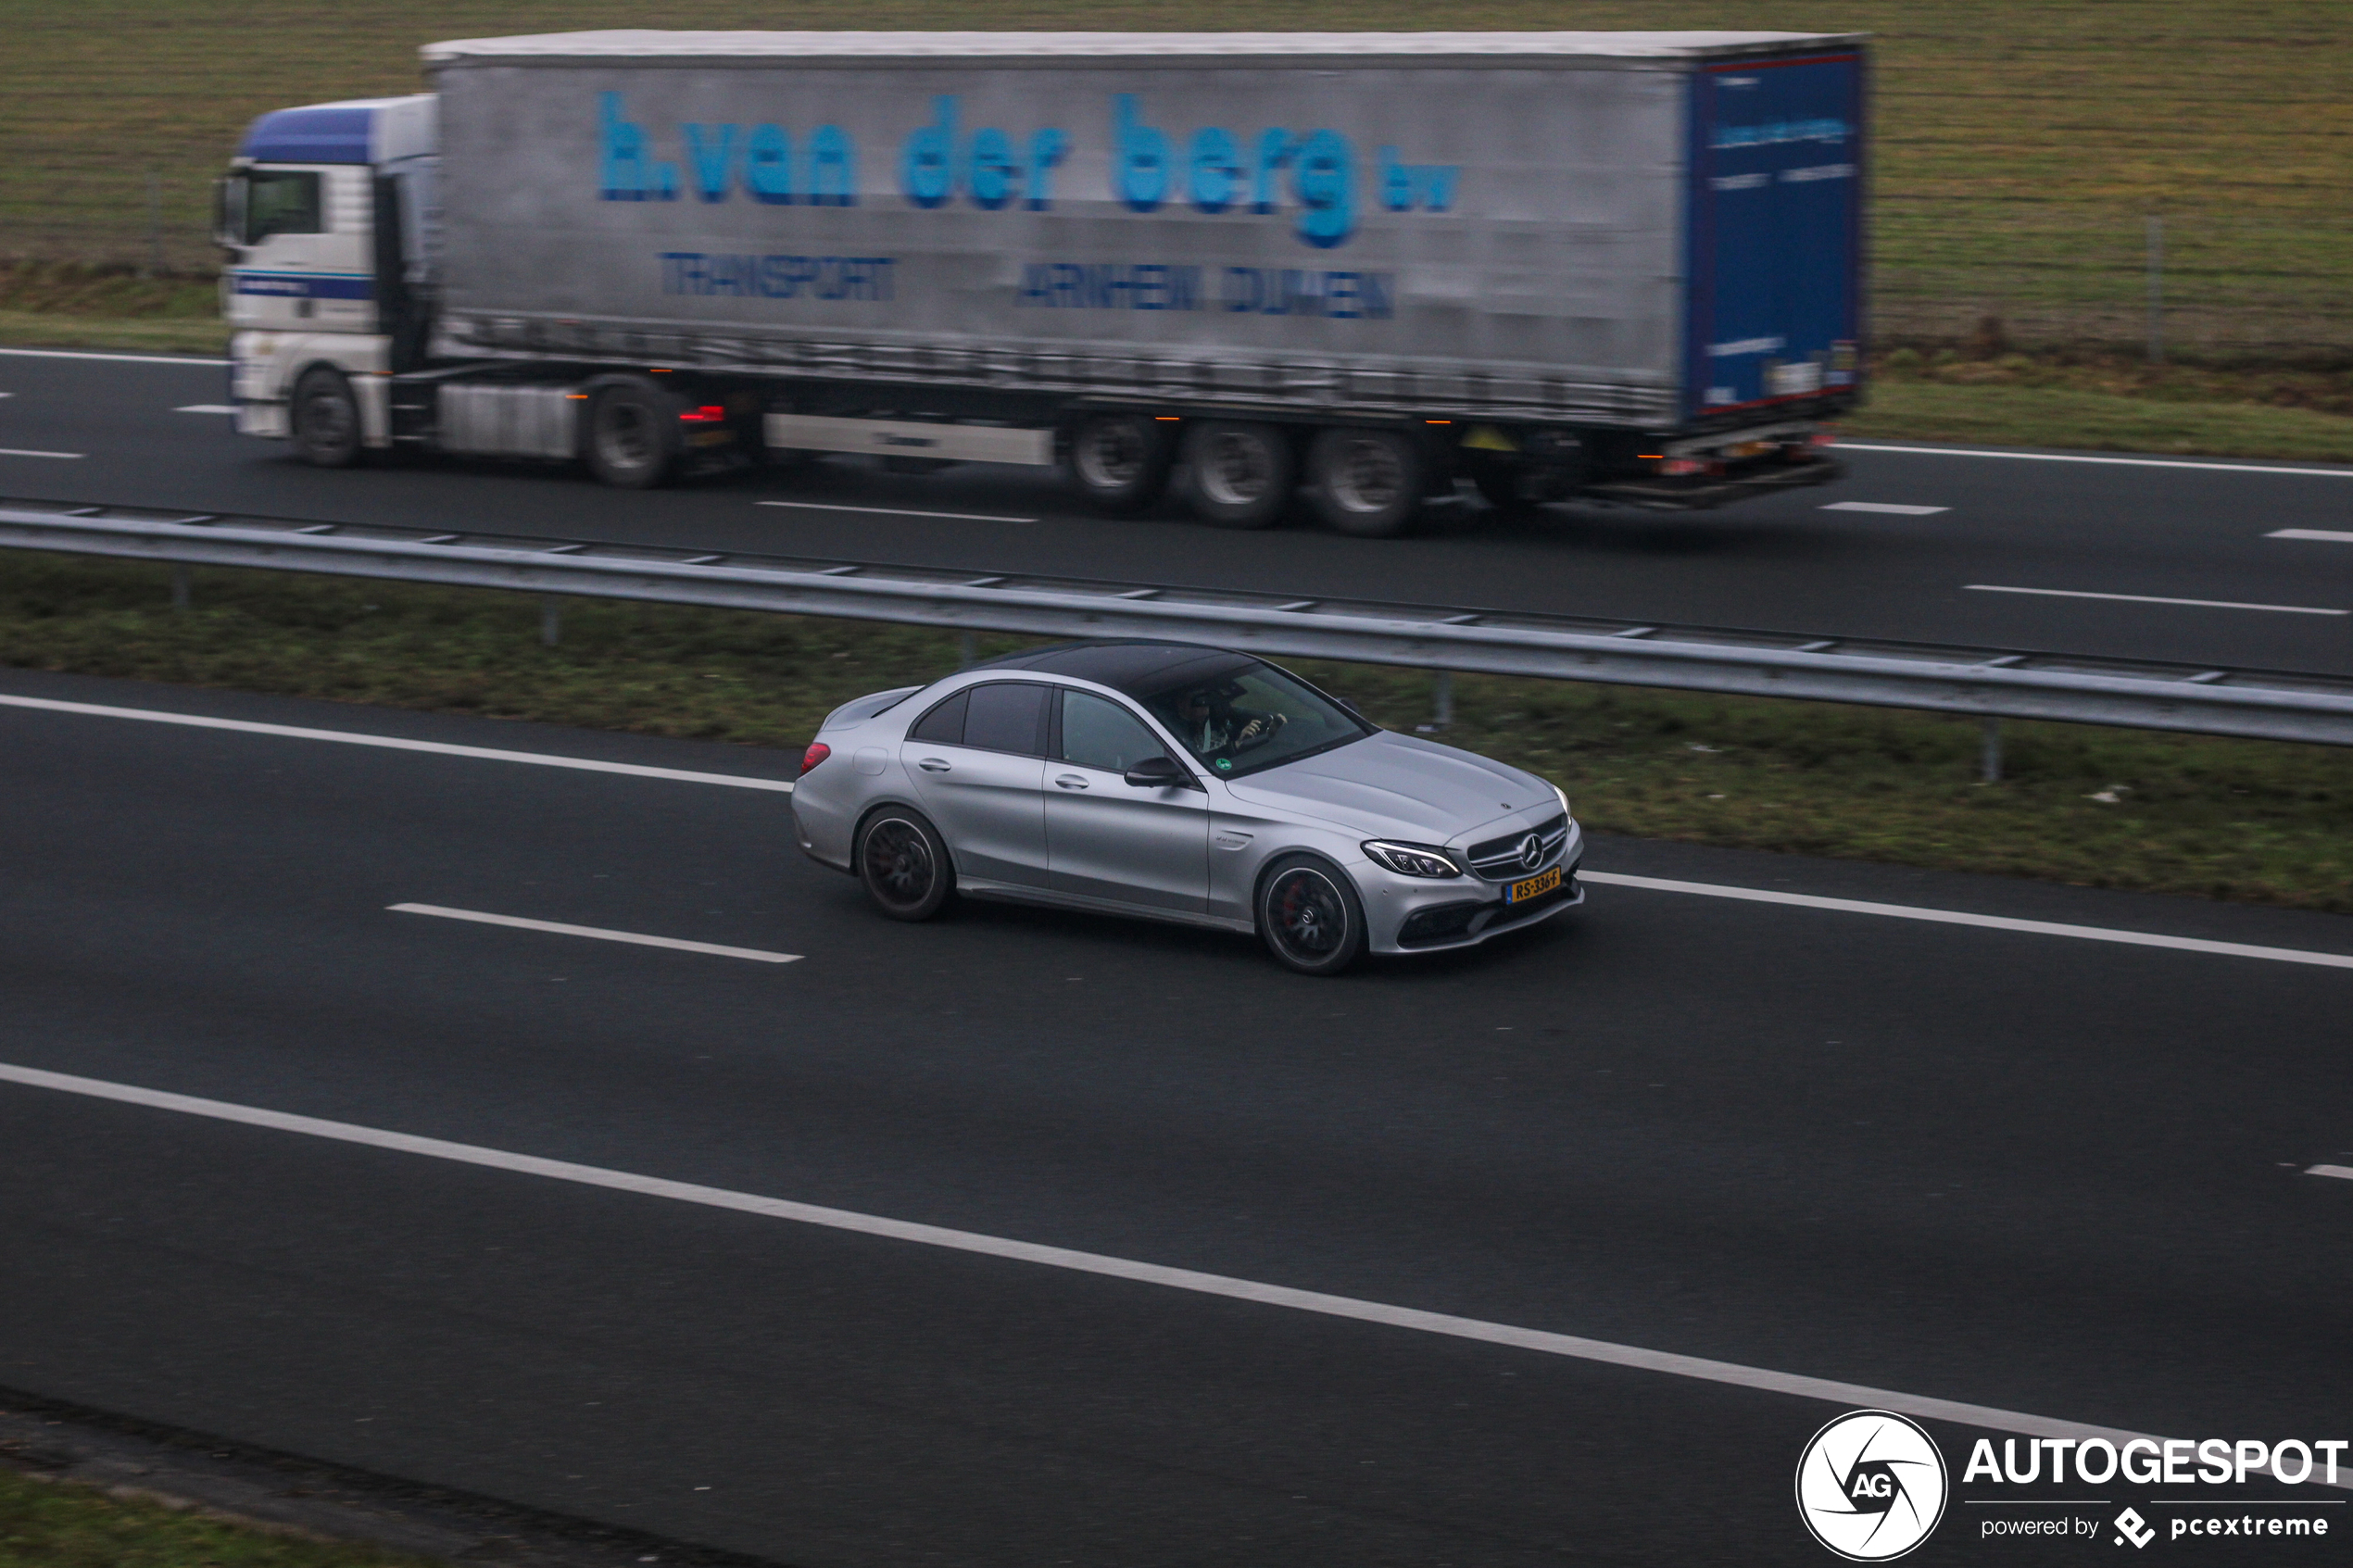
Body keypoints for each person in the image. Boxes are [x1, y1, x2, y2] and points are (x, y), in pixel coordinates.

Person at [1165, 681, 1286, 763]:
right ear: (1181, 703)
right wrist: (1235, 745)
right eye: (1199, 697)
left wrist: (1270, 723)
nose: (1206, 701)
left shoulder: (1218, 713)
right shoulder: (1172, 730)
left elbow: (1241, 717)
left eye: (1208, 695)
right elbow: (1194, 764)